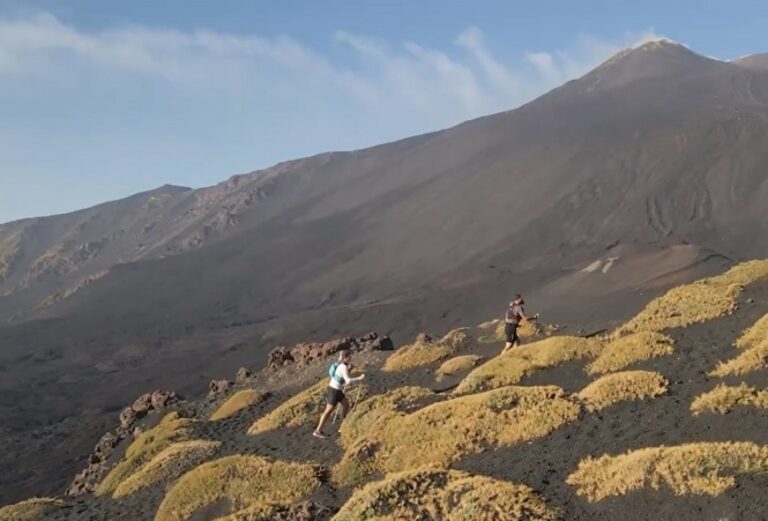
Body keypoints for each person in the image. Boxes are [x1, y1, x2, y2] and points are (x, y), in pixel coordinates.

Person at [313, 349, 365, 439]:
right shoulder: (343, 367)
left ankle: (343, 425)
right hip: (334, 390)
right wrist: (359, 378)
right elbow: (348, 381)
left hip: (337, 390)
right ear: (345, 358)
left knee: (346, 405)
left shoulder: (342, 366)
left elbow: (342, 376)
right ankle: (318, 430)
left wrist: (350, 369)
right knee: (328, 411)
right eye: (349, 356)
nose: (350, 358)